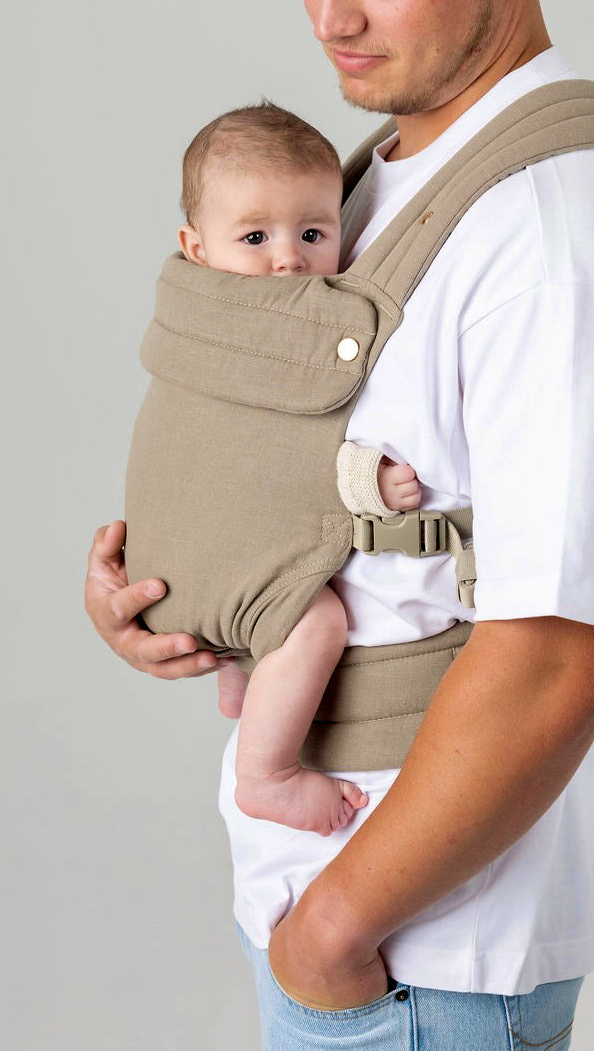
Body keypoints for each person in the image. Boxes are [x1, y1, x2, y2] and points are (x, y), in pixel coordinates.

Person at [85, 0, 594, 1048]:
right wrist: (179, 585)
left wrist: (335, 929)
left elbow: (557, 652)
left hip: (425, 946)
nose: (329, 20)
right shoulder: (365, 181)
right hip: (343, 909)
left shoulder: (563, 232)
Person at [128, 98, 431, 836]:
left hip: (158, 563)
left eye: (314, 231)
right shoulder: (289, 326)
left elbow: (245, 456)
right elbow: (300, 438)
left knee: (255, 557)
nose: (289, 258)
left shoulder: (188, 312)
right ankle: (266, 770)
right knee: (316, 619)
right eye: (255, 235)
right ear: (194, 247)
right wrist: (371, 484)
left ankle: (240, 680)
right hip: (201, 570)